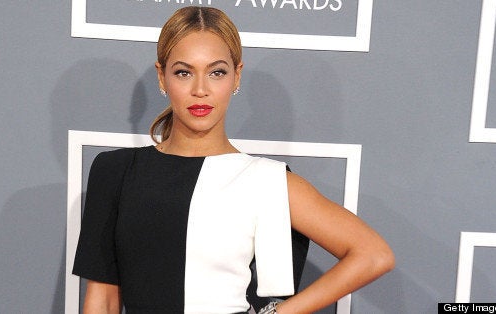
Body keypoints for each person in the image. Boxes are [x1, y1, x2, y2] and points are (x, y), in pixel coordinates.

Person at [73, 6, 394, 314]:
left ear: (236, 76)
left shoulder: (267, 180)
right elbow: (102, 301)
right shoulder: (115, 172)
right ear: (162, 76)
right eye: (184, 72)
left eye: (217, 72)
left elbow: (373, 254)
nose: (200, 89)